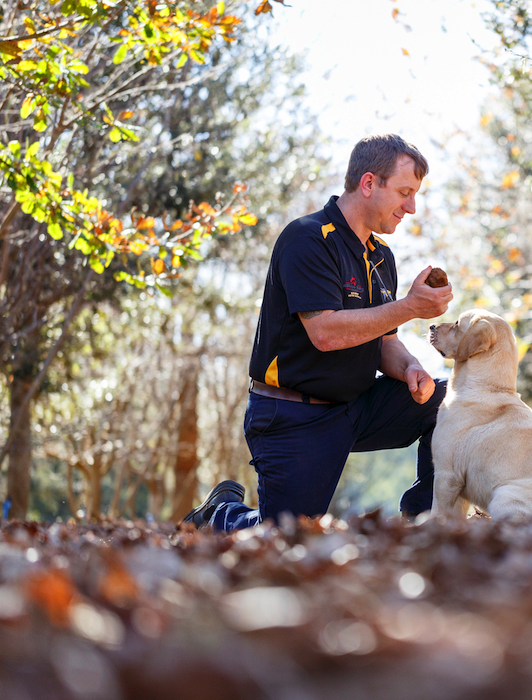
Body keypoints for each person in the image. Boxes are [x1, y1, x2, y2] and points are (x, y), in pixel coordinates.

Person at [181, 134, 452, 531]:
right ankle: (220, 513)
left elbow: (385, 343)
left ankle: (423, 522)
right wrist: (410, 306)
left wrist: (410, 367)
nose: (411, 207)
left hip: (356, 406)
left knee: (446, 400)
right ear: (369, 183)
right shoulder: (307, 238)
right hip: (292, 415)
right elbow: (325, 333)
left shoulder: (381, 257)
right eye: (405, 192)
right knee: (285, 538)